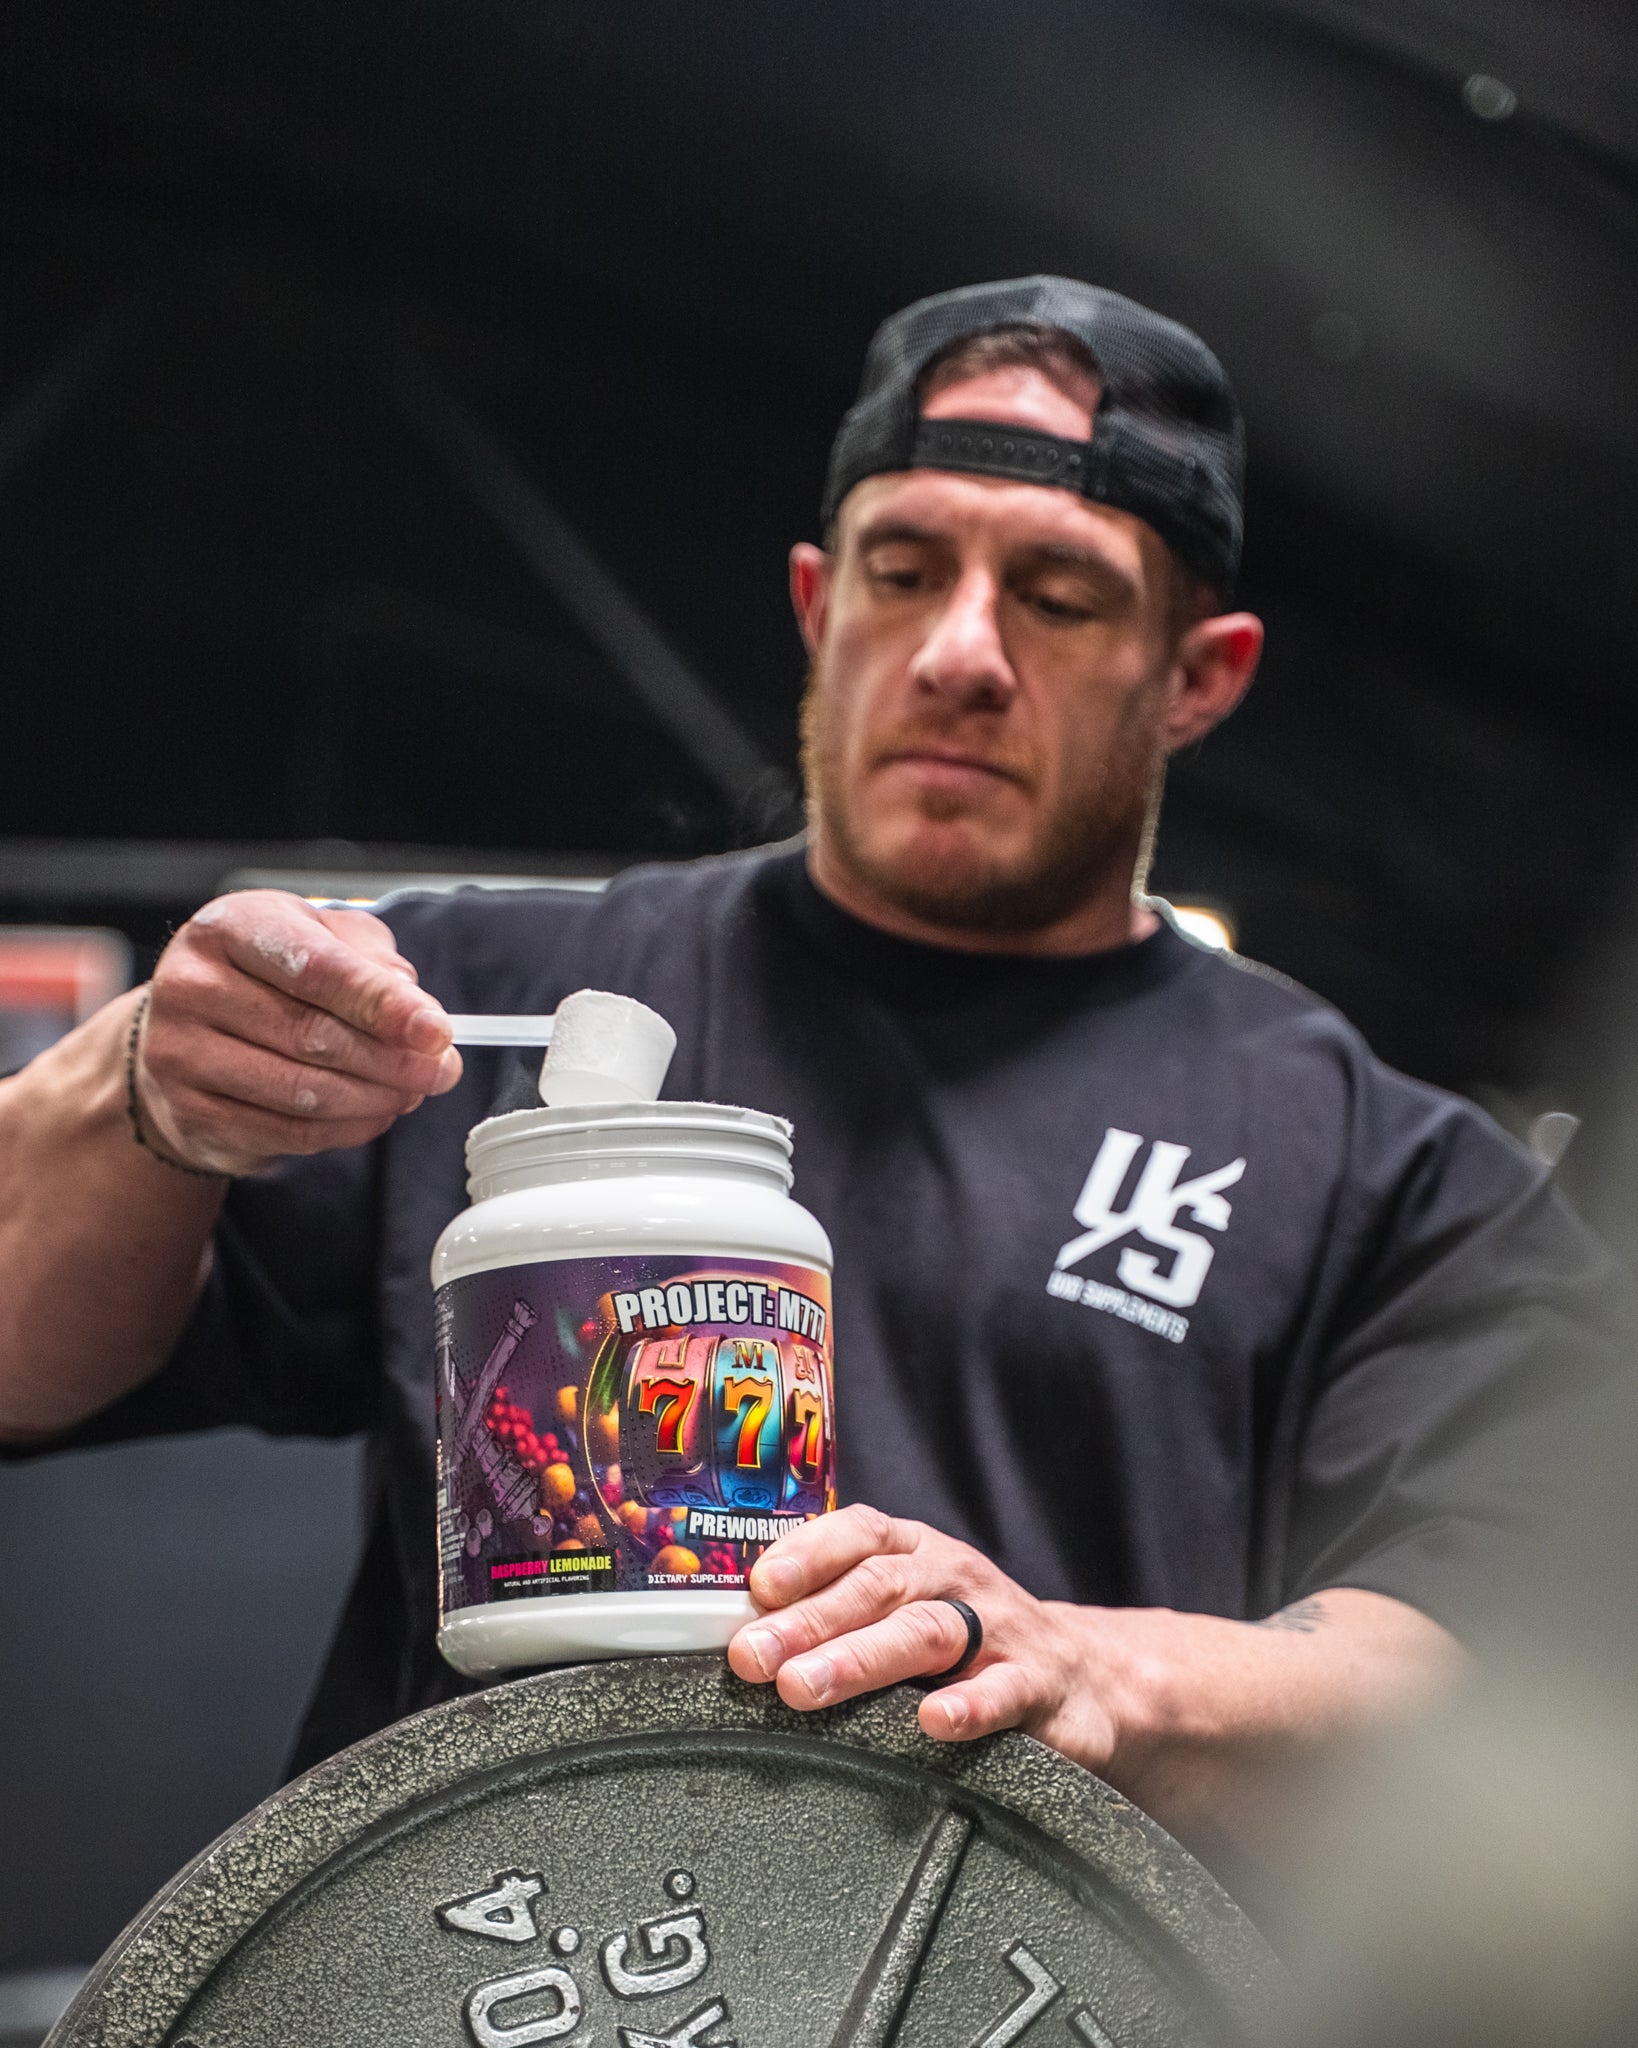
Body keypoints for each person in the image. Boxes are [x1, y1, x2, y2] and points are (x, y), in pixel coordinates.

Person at [0, 277, 1620, 1875]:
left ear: (1198, 674)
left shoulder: (1376, 1170)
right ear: (815, 602)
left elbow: (1501, 1652)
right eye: (903, 572)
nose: (958, 653)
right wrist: (144, 1097)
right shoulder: (460, 1005)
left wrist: (1095, 1672)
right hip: (472, 1957)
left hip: (1006, 1975)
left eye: (1057, 598)